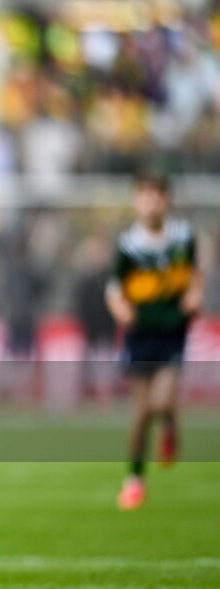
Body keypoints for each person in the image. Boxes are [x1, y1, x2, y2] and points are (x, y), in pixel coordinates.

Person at [105, 171, 202, 511]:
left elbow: (195, 276)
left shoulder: (183, 237)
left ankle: (170, 423)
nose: (151, 203)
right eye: (144, 196)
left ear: (166, 200)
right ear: (136, 202)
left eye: (157, 196)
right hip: (140, 334)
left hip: (172, 331)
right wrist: (120, 308)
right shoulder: (128, 245)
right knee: (141, 411)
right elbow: (114, 289)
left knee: (159, 403)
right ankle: (134, 481)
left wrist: (195, 295)